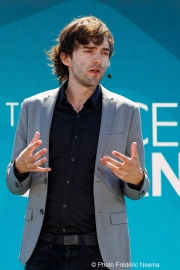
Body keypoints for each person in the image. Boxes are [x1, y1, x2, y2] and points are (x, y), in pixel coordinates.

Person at [6, 16, 149, 270]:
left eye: (104, 52)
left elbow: (136, 190)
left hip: (100, 252)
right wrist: (19, 167)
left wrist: (136, 178)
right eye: (89, 51)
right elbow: (14, 186)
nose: (98, 59)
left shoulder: (127, 111)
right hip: (42, 251)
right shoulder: (33, 108)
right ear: (65, 58)